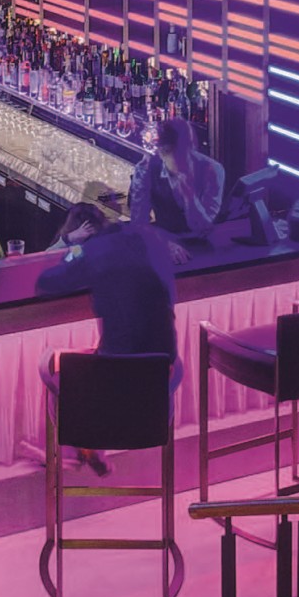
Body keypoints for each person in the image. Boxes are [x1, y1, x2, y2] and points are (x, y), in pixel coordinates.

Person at [33, 203, 179, 476]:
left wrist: (74, 247)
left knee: (58, 367)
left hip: (115, 382)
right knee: (107, 354)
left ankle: (73, 446)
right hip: (161, 384)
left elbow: (46, 282)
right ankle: (91, 447)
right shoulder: (147, 238)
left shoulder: (92, 252)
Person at [130, 117, 224, 239]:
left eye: (182, 153)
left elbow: (205, 227)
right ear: (160, 151)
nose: (178, 160)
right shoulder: (146, 169)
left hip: (203, 242)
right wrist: (162, 243)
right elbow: (138, 224)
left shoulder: (212, 170)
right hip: (164, 241)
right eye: (168, 152)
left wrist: (190, 197)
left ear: (191, 147)